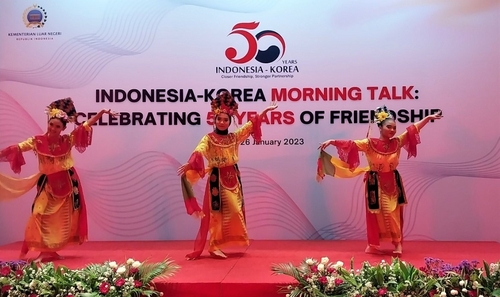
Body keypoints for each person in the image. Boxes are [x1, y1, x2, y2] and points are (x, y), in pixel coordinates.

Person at [0, 97, 118, 262]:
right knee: (39, 214)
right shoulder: (37, 141)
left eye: (58, 126)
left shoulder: (67, 141)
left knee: (62, 219)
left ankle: (52, 251)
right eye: (51, 124)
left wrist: (102, 112)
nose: (53, 128)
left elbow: (85, 126)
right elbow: (17, 148)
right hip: (48, 184)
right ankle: (43, 251)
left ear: (63, 128)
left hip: (67, 182)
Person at [317, 106, 443, 255]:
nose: (392, 130)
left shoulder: (397, 142)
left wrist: (427, 119)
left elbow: (413, 129)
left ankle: (397, 244)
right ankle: (373, 246)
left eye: (394, 128)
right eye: (389, 127)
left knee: (393, 212)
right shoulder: (369, 143)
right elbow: (351, 144)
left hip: (392, 182)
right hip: (374, 183)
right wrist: (333, 141)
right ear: (380, 127)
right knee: (375, 215)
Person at [177, 91, 277, 260]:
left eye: (225, 120)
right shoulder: (208, 138)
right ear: (214, 120)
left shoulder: (234, 137)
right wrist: (191, 163)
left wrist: (265, 112)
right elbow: (199, 151)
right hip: (217, 179)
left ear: (229, 122)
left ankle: (222, 243)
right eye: (219, 119)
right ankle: (214, 246)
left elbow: (250, 125)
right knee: (217, 214)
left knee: (235, 211)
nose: (222, 122)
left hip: (233, 178)